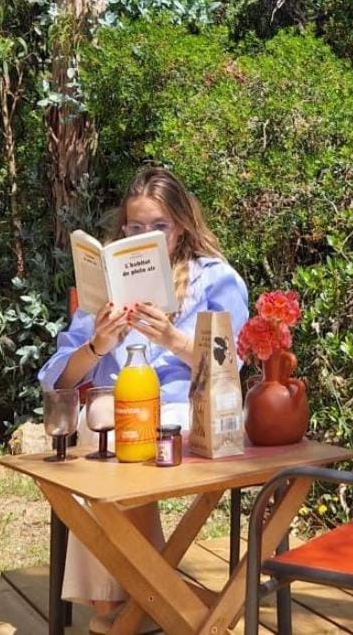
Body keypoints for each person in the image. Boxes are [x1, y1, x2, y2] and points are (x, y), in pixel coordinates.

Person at [38, 165, 248, 633]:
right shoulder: (106, 290)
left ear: (182, 226)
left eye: (159, 227)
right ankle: (141, 598)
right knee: (105, 424)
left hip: (182, 413)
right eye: (136, 228)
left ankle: (121, 607)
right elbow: (56, 380)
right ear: (123, 231)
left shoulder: (215, 280)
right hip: (112, 413)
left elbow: (229, 368)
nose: (148, 235)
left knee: (113, 433)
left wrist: (174, 339)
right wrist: (97, 345)